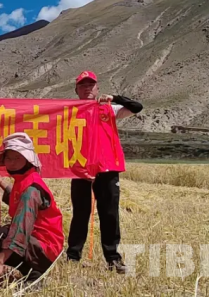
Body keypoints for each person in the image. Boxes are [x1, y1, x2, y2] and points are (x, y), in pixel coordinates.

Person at [65, 71, 143, 274]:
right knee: (80, 213)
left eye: (91, 84)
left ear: (97, 88)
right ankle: (73, 256)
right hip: (81, 169)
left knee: (109, 214)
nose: (87, 88)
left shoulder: (110, 108)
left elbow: (137, 107)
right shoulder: (68, 111)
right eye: (82, 85)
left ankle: (113, 258)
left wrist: (115, 97)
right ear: (76, 90)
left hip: (107, 169)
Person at [0, 132, 64, 285]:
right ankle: (31, 270)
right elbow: (17, 198)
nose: (12, 163)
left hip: (45, 246)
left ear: (27, 159)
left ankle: (36, 272)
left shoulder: (32, 189)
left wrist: (0, 261)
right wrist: (0, 181)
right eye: (8, 158)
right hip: (37, 240)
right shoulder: (24, 179)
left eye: (17, 158)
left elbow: (20, 229)